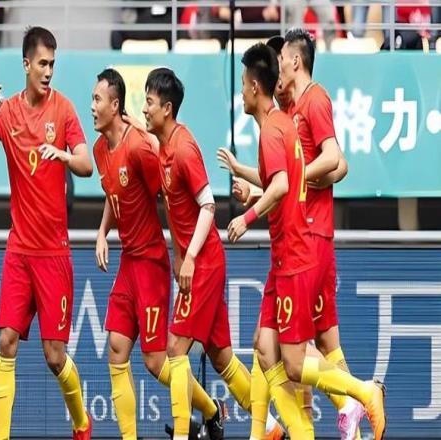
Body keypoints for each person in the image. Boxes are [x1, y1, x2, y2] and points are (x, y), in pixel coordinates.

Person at [226, 42, 386, 440]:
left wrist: (249, 214)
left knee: (297, 360)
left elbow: (331, 164)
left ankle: (359, 394)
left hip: (302, 246)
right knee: (267, 346)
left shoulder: (301, 110)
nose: (280, 71)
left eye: (245, 83)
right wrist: (253, 184)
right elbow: (282, 178)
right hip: (292, 249)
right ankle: (279, 430)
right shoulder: (285, 120)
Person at [0, 26, 93, 440]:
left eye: (53, 64)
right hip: (19, 250)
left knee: (54, 357)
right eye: (42, 64)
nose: (48, 71)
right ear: (26, 65)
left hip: (54, 254)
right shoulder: (8, 113)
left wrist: (65, 155)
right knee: (6, 342)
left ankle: (81, 423)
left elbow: (87, 165)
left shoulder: (65, 109)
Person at [143, 67, 286, 440]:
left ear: (167, 108)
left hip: (204, 264)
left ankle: (182, 435)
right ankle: (272, 428)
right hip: (198, 262)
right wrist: (180, 255)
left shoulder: (184, 148)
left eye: (149, 102)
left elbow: (208, 205)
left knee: (175, 350)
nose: (144, 109)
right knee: (221, 356)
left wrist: (189, 257)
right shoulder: (162, 145)